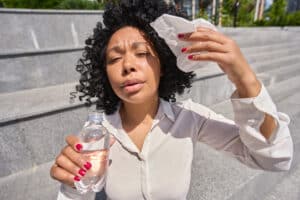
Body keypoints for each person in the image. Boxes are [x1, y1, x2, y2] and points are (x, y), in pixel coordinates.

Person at [50, 0, 293, 199]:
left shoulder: (190, 119)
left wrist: (245, 78)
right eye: (114, 59)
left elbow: (273, 158)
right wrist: (71, 186)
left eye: (142, 53)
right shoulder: (97, 133)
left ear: (164, 65)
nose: (127, 65)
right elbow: (77, 192)